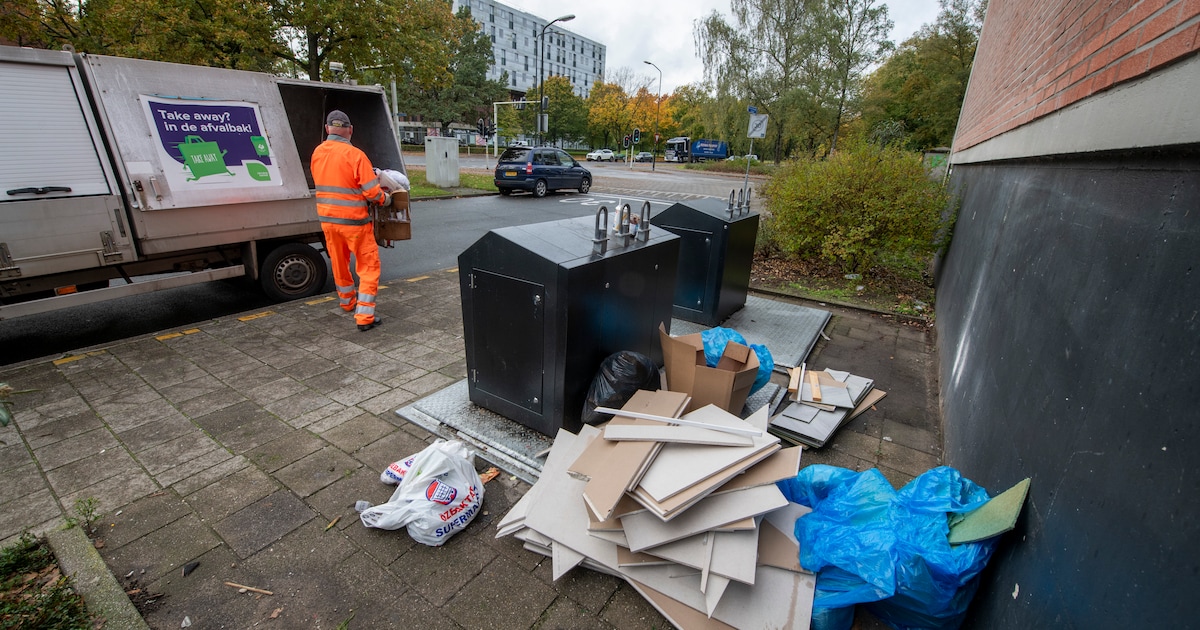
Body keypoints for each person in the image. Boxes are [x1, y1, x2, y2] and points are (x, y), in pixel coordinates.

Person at [311, 110, 390, 331]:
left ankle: (347, 302)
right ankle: (364, 317)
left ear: (327, 129)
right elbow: (372, 193)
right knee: (369, 267)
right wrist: (386, 199)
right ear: (350, 130)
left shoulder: (317, 153)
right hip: (354, 222)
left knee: (339, 262)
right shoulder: (355, 155)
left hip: (328, 221)